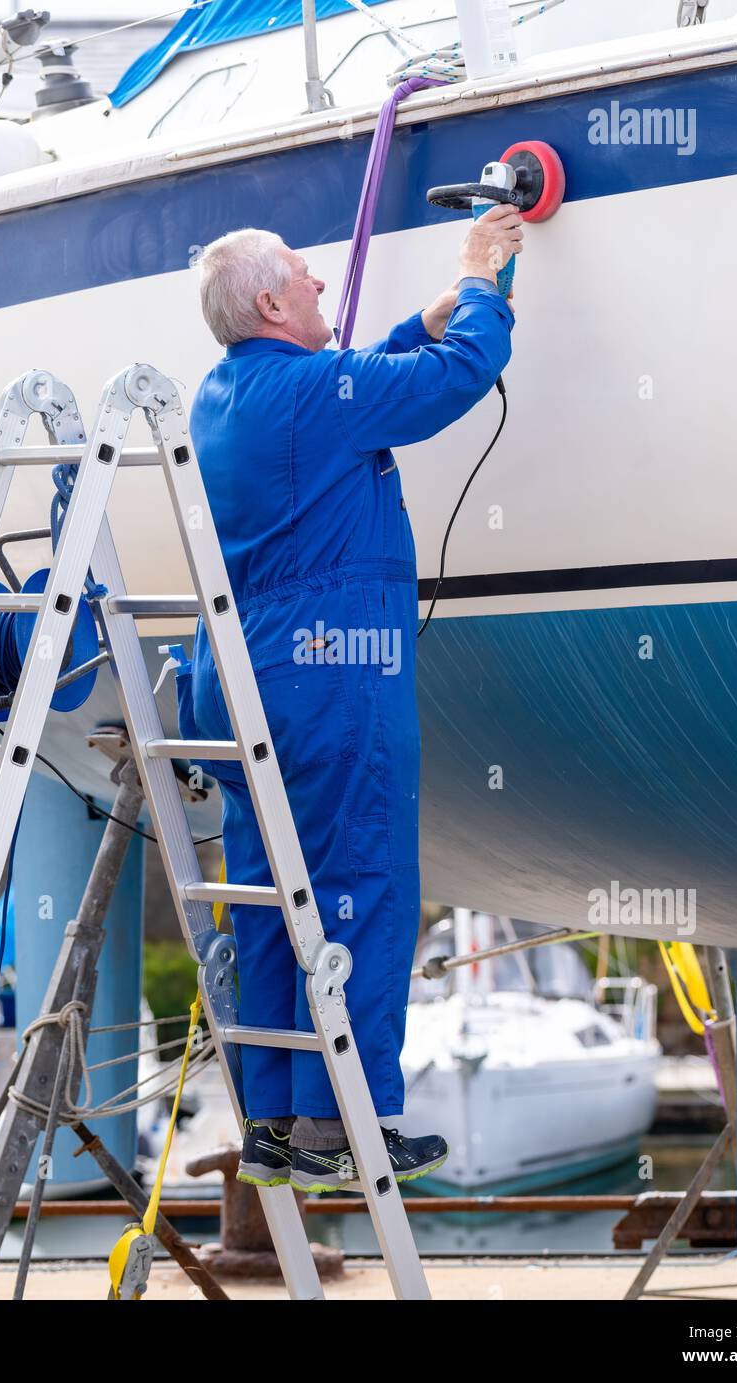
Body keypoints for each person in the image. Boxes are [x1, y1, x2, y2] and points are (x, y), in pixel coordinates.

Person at [179, 205, 521, 1192]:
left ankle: (280, 1124)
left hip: (238, 682)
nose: (322, 282)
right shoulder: (314, 397)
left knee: (274, 897)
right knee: (354, 885)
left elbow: (349, 391)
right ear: (273, 301)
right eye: (302, 272)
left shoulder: (228, 392)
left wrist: (424, 316)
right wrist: (482, 281)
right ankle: (346, 1124)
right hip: (326, 674)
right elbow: (448, 384)